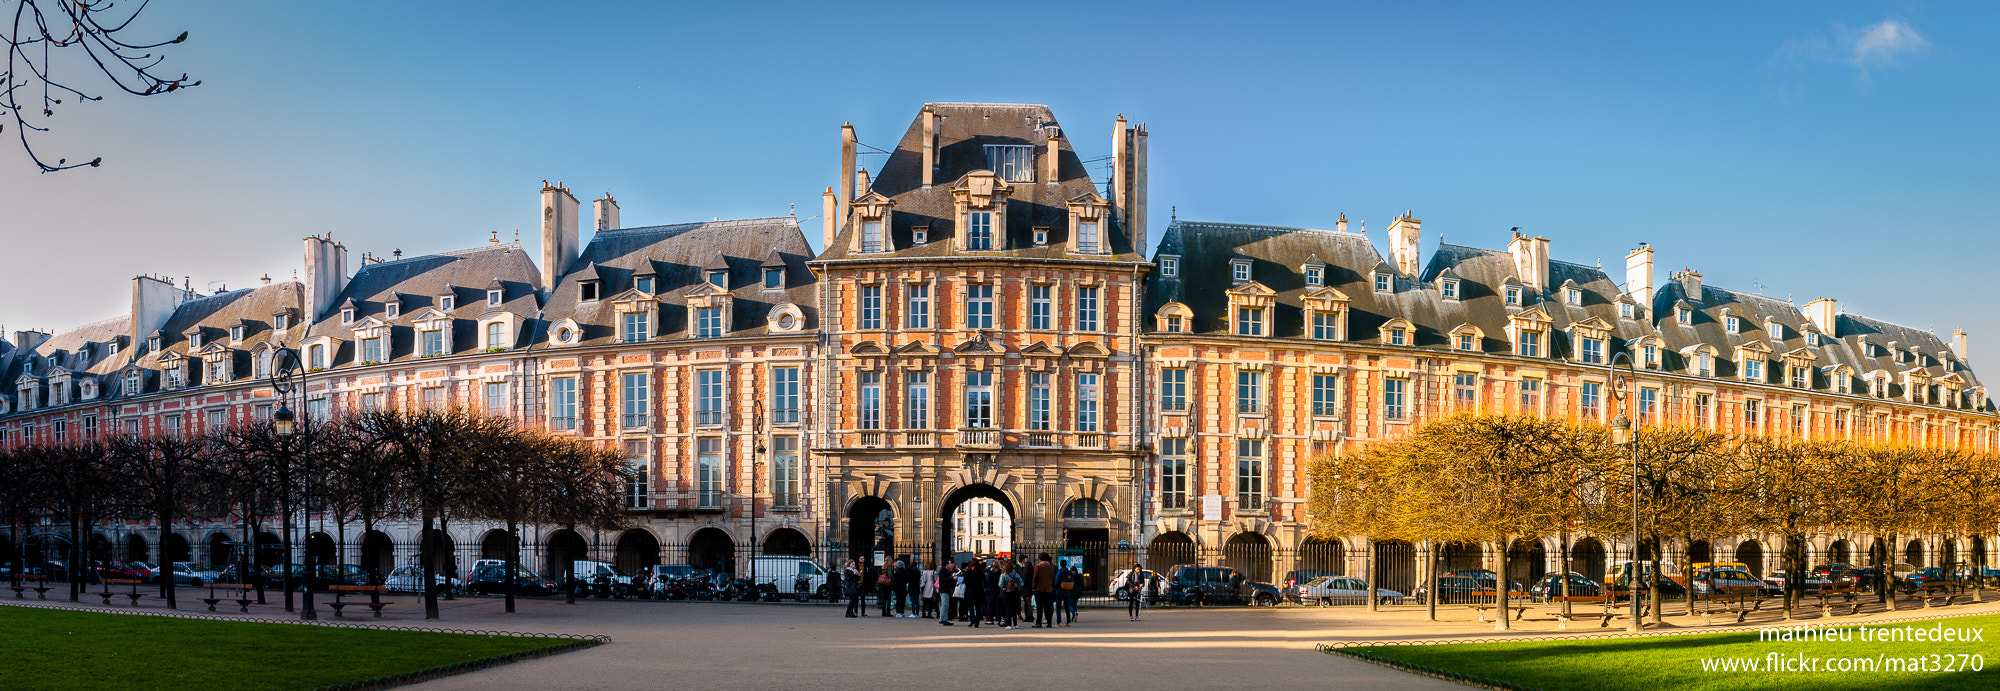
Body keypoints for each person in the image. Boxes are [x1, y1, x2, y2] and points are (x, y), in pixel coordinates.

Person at [1032, 553, 1057, 628]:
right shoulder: (1051, 568)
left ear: (1040, 559)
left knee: (1039, 607)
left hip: (1039, 589)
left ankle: (1038, 622)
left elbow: (1035, 578)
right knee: (1048, 606)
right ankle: (1049, 622)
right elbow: (1053, 578)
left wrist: (1033, 587)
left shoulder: (1038, 567)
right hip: (1048, 589)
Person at [959, 560, 985, 627]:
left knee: (971, 607)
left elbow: (966, 581)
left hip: (970, 591)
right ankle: (977, 621)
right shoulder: (981, 571)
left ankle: (972, 620)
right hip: (979, 591)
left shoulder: (969, 572)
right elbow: (984, 581)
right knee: (978, 607)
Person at [998, 561, 1023, 628]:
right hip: (1014, 592)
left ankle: (1009, 624)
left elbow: (1000, 584)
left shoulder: (1003, 575)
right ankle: (1015, 624)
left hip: (1006, 592)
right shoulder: (1016, 574)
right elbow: (1021, 582)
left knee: (1007, 608)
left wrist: (1004, 587)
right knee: (1014, 608)